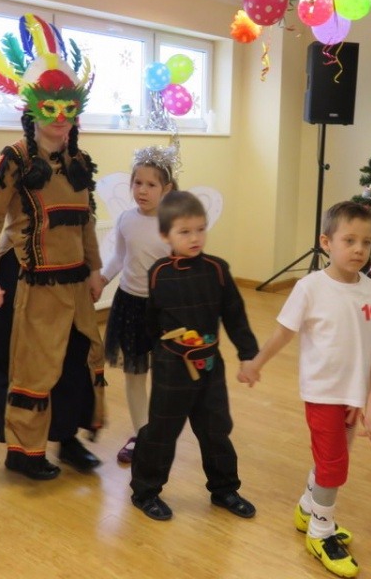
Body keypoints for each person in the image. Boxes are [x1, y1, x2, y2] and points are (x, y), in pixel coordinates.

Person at [0, 13, 105, 481]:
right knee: (34, 364)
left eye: (68, 108)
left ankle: (67, 438)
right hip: (29, 281)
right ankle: (24, 451)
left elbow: (86, 220)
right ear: (32, 109)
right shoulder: (13, 159)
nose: (59, 118)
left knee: (75, 362)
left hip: (74, 280)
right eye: (50, 108)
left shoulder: (79, 160)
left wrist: (95, 269)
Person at [239, 200, 371, 578]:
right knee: (334, 465)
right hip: (323, 393)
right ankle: (320, 532)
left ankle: (309, 509)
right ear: (326, 242)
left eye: (366, 242)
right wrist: (256, 363)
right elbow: (283, 333)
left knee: (333, 458)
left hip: (354, 395)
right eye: (349, 240)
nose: (358, 249)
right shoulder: (310, 288)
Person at [130, 190, 259, 521]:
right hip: (170, 367)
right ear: (166, 235)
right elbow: (151, 320)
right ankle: (145, 492)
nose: (195, 238)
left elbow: (235, 314)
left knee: (216, 429)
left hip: (210, 366)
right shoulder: (158, 272)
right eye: (185, 231)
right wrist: (156, 354)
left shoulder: (217, 269)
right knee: (162, 431)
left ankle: (224, 489)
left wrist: (248, 355)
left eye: (200, 229)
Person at [100, 145, 177, 464]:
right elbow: (119, 257)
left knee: (164, 376)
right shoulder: (125, 219)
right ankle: (141, 434)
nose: (142, 190)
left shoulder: (174, 224)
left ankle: (160, 433)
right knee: (134, 375)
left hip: (164, 311)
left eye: (151, 184)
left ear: (166, 189)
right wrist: (101, 279)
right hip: (129, 306)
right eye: (137, 183)